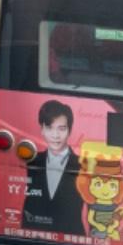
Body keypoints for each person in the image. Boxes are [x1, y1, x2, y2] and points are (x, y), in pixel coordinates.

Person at [22, 100, 82, 233]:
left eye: (61, 129)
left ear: (69, 130)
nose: (55, 135)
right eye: (49, 127)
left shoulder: (82, 164)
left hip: (73, 238)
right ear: (42, 129)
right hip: (34, 235)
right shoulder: (31, 160)